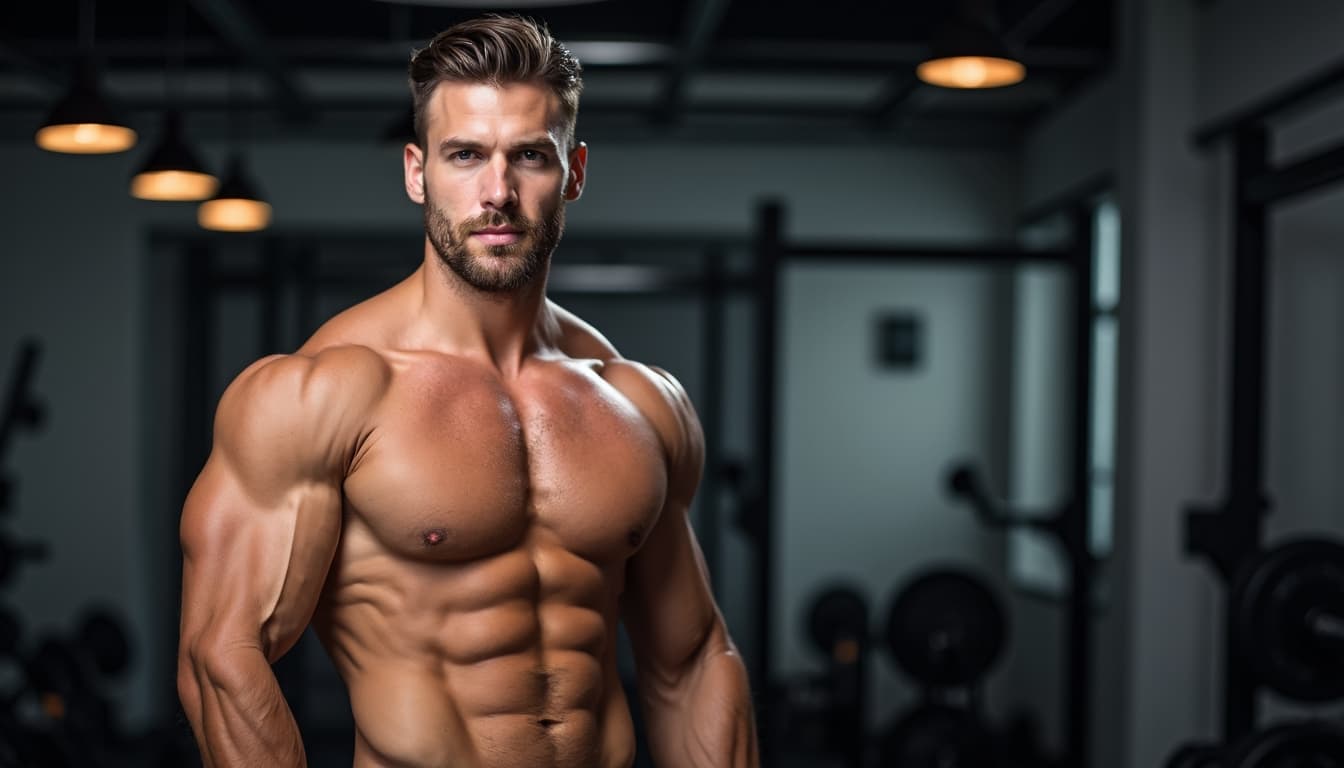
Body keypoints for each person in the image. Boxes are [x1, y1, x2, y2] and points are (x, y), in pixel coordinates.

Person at [175, 13, 756, 768]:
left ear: (574, 172)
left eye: (529, 157)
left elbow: (693, 661)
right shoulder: (325, 393)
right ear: (417, 171)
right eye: (465, 155)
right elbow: (222, 657)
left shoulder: (640, 403)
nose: (497, 192)